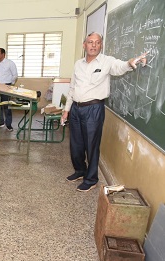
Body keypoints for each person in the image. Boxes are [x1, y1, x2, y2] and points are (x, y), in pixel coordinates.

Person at [61, 32, 147, 192]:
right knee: (76, 144)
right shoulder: (78, 64)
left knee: (91, 145)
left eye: (97, 42)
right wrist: (66, 110)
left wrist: (130, 62)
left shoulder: (107, 61)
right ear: (84, 45)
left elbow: (120, 67)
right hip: (75, 109)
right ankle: (80, 170)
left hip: (93, 109)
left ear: (101, 45)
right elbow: (72, 87)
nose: (93, 45)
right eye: (90, 42)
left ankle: (91, 178)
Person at [0, 48, 18, 131]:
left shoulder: (10, 63)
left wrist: (10, 85)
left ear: (3, 54)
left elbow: (15, 75)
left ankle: (8, 124)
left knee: (7, 106)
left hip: (6, 86)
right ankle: (0, 122)